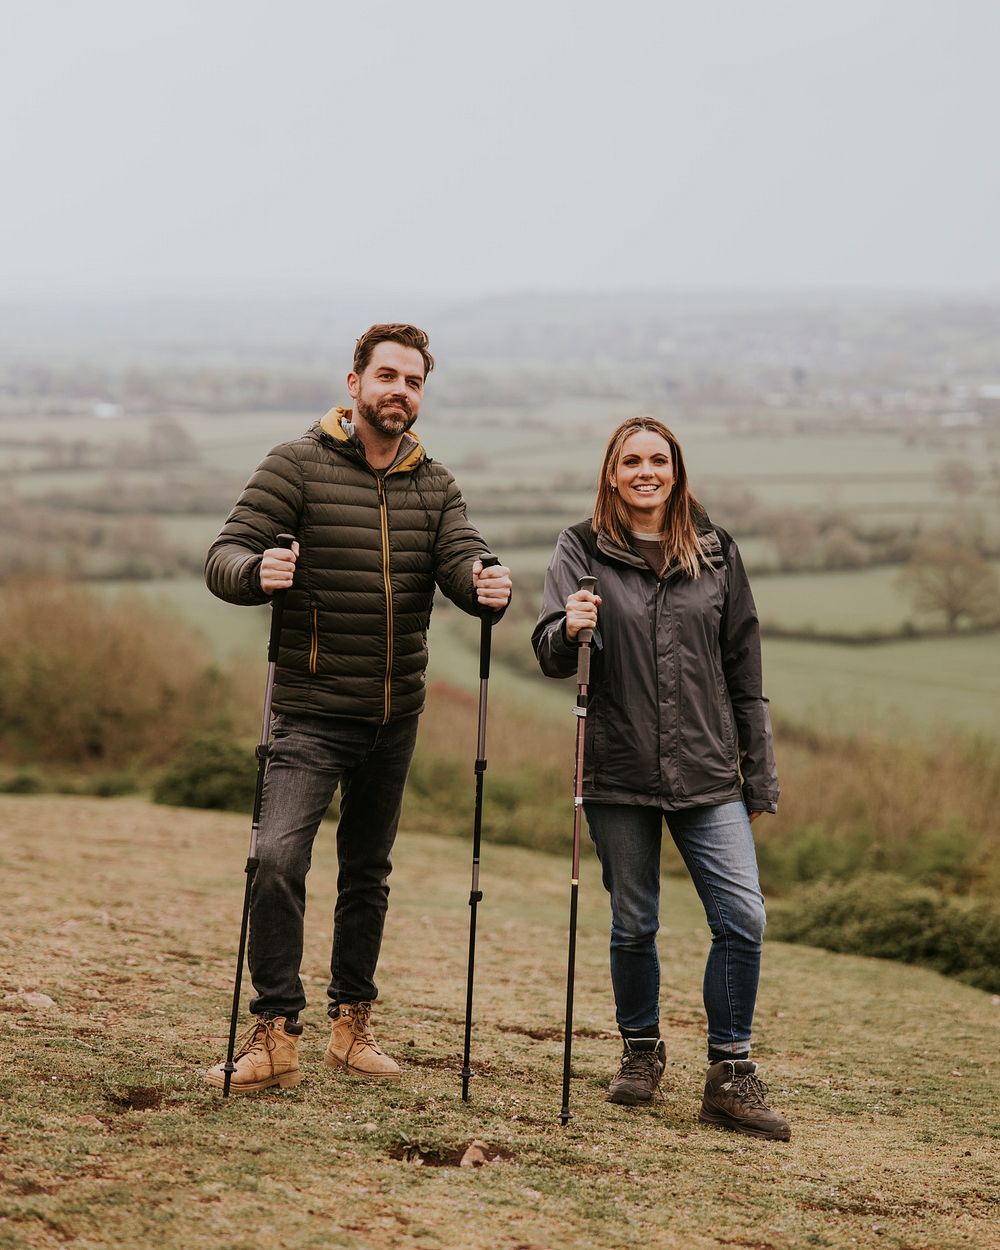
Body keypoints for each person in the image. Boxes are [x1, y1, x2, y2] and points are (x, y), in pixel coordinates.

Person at [204, 323, 511, 1094]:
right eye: (387, 377)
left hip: (394, 714)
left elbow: (460, 557)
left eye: (413, 381)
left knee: (367, 873)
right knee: (276, 860)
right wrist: (257, 572)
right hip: (309, 711)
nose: (400, 391)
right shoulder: (295, 466)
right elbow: (223, 556)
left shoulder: (433, 484)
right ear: (354, 383)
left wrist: (484, 583)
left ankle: (352, 1025)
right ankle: (274, 1032)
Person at [532, 415, 789, 1141]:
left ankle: (730, 1074)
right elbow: (549, 653)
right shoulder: (579, 550)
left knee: (743, 916)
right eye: (631, 461)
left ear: (676, 470)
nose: (646, 472)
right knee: (633, 921)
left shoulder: (715, 549)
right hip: (617, 769)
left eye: (659, 460)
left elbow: (745, 667)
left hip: (709, 774)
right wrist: (569, 626)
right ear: (611, 473)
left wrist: (758, 775)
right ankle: (640, 1051)